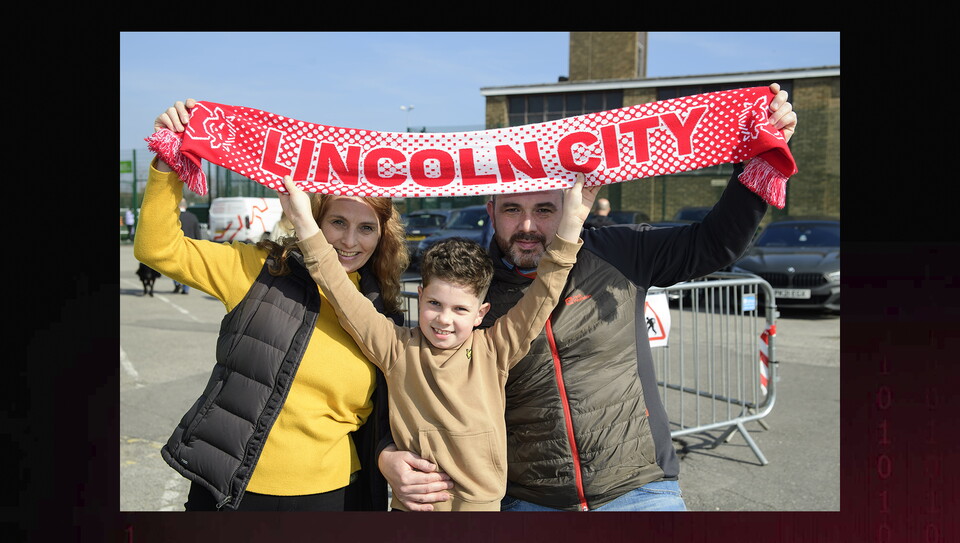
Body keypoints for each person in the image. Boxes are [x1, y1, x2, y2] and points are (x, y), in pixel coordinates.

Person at [378, 82, 798, 511]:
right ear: (491, 211)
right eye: (511, 210)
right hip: (531, 501)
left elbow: (715, 244)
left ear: (567, 204)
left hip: (638, 490)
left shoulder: (617, 252)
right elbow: (414, 378)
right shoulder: (470, 292)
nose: (528, 227)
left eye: (544, 209)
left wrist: (755, 159)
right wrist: (387, 451)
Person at [134, 98, 409, 511]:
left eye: (366, 228)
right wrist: (166, 164)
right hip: (232, 491)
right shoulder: (259, 270)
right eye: (338, 222)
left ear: (381, 236)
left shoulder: (382, 308)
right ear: (313, 219)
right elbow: (158, 248)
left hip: (335, 496)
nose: (351, 241)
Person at [280, 173, 596, 511]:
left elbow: (544, 292)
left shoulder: (495, 349)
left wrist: (571, 224)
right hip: (414, 509)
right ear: (420, 297)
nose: (444, 319)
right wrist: (303, 222)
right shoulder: (395, 347)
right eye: (434, 304)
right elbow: (339, 292)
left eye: (460, 309)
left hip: (482, 511)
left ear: (481, 313)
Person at [172, 198, 202, 294]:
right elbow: (197, 232)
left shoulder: (174, 216)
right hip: (190, 246)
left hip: (176, 245)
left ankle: (177, 283)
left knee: (175, 266)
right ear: (186, 205)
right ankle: (186, 288)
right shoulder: (193, 217)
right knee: (188, 268)